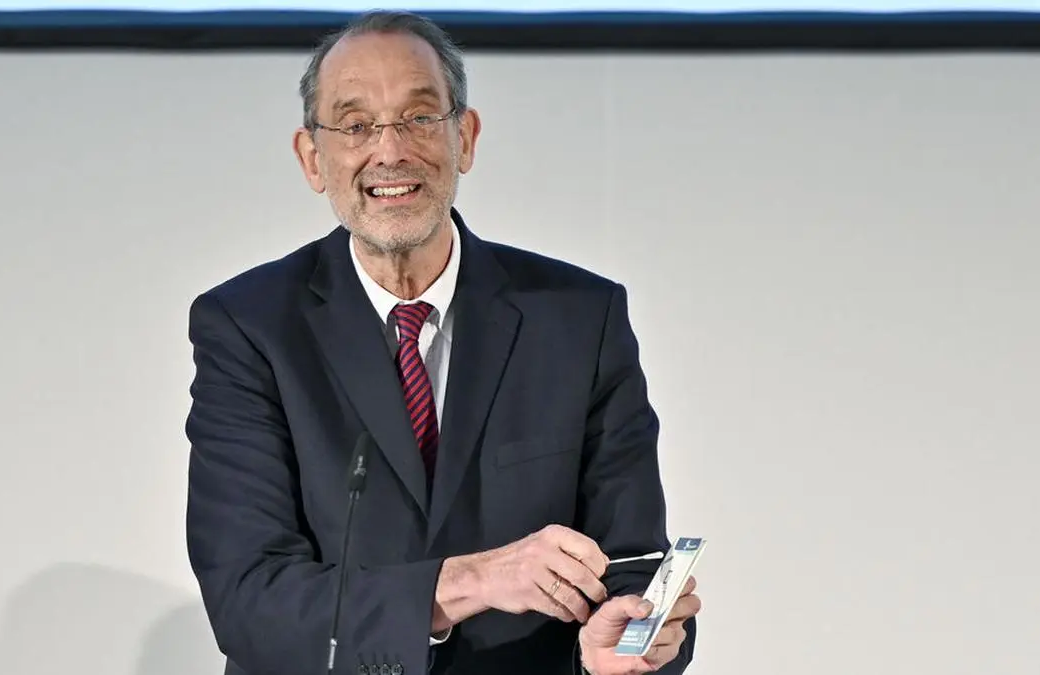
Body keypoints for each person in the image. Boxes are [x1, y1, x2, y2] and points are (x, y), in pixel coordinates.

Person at [184, 10, 700, 675]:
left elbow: (635, 568)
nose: (391, 151)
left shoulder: (580, 319)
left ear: (467, 136)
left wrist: (628, 636)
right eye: (357, 124)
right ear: (314, 158)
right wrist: (472, 581)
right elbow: (250, 601)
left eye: (420, 117)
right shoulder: (250, 325)